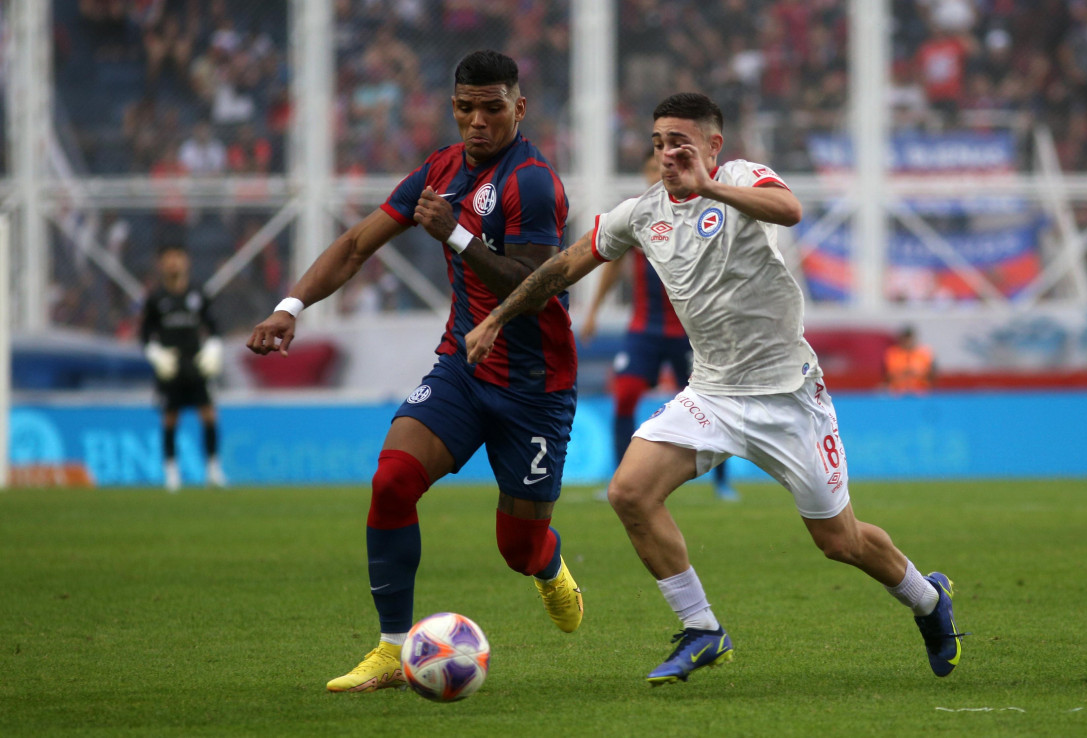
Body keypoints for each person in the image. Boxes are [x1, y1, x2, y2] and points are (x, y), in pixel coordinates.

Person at [466, 92, 963, 685]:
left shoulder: (740, 180)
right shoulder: (639, 214)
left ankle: (929, 601)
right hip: (713, 395)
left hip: (789, 397)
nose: (668, 153)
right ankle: (702, 629)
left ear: (712, 145)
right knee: (629, 493)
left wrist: (711, 187)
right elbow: (560, 268)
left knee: (840, 540)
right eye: (658, 143)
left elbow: (789, 209)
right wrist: (496, 318)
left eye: (681, 142)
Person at [246, 50, 583, 693]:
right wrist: (290, 309)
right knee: (393, 480)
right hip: (461, 368)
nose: (477, 121)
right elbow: (356, 245)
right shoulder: (441, 171)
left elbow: (537, 289)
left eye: (492, 107)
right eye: (465, 108)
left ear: (519, 107)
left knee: (517, 547)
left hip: (536, 390)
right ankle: (391, 649)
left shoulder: (532, 182)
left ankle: (549, 565)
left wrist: (456, 236)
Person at [579, 148, 737, 501]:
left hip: (689, 334)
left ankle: (722, 483)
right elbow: (613, 265)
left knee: (713, 404)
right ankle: (619, 480)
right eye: (651, 168)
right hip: (644, 331)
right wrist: (592, 312)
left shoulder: (695, 213)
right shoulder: (638, 215)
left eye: (661, 168)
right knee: (625, 397)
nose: (657, 174)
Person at [140, 244, 227, 492]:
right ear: (161, 264)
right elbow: (145, 335)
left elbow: (214, 327)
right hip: (170, 365)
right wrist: (156, 354)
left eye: (177, 258)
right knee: (170, 418)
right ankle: (171, 472)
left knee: (209, 414)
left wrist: (213, 348)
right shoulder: (156, 298)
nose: (173, 263)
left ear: (185, 261)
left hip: (196, 362)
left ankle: (213, 468)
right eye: (168, 259)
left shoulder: (198, 293)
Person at [883, 326, 936, 395]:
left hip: (921, 392)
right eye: (905, 339)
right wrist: (902, 373)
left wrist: (918, 373)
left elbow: (933, 376)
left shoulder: (924, 354)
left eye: (909, 339)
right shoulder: (892, 354)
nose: (907, 342)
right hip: (897, 392)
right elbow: (885, 376)